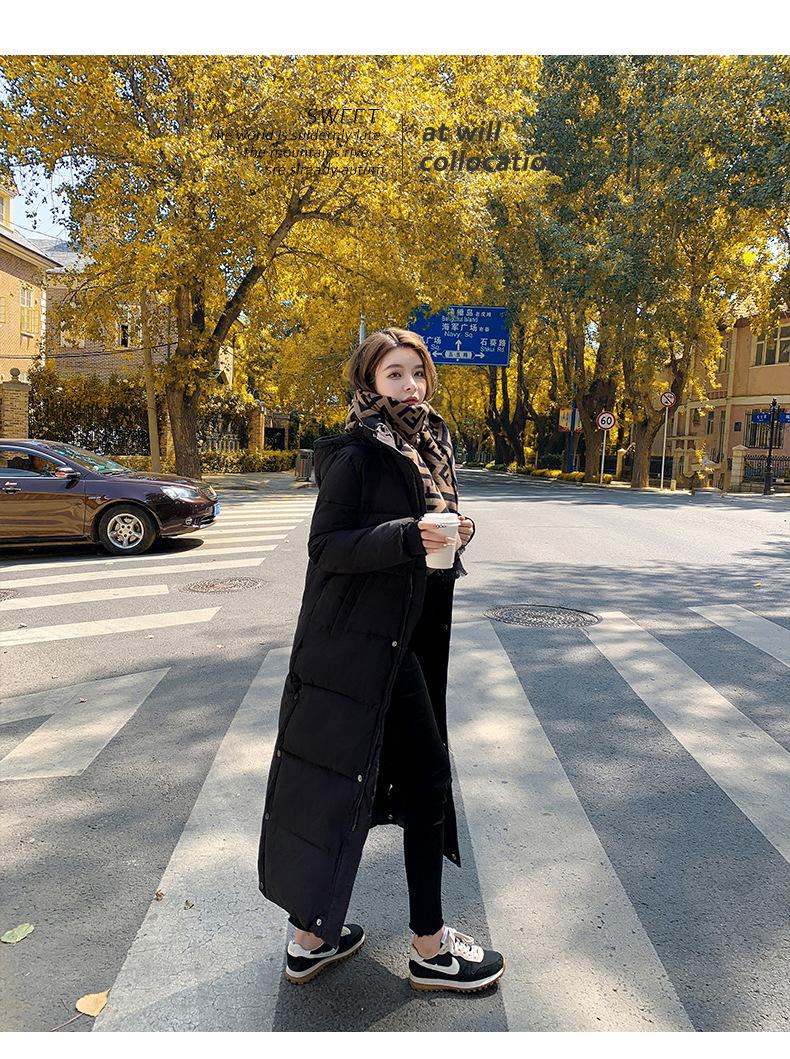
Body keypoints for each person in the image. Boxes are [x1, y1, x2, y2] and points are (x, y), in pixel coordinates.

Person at [257, 327, 506, 993]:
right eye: (395, 373)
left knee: (358, 780)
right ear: (369, 381)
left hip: (405, 634)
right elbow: (327, 546)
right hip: (363, 645)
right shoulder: (357, 451)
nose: (411, 386)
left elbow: (425, 531)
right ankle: (430, 948)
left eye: (417, 372)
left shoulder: (430, 442)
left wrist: (454, 533)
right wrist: (406, 536)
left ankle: (311, 939)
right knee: (424, 782)